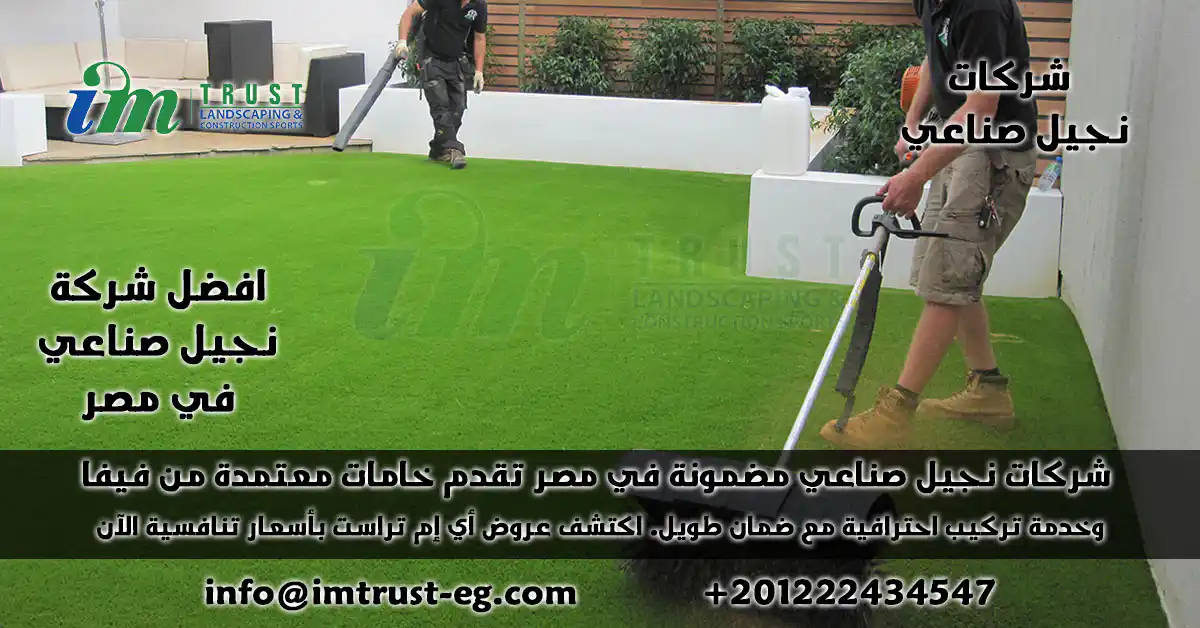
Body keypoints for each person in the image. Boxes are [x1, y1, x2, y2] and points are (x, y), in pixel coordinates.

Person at [819, 0, 1040, 449]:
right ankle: (988, 391)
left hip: (993, 153)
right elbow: (934, 56)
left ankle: (896, 414)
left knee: (947, 278)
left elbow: (981, 107)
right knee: (948, 272)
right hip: (958, 143)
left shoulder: (981, 7)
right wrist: (914, 122)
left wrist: (916, 176)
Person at [395, 0, 488, 169]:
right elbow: (409, 13)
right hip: (431, 57)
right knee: (441, 106)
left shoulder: (479, 5)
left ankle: (438, 150)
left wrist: (479, 71)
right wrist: (402, 41)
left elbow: (479, 38)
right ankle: (454, 150)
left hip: (455, 59)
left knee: (458, 108)